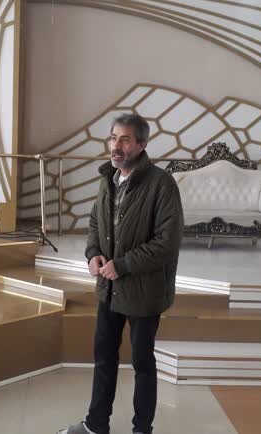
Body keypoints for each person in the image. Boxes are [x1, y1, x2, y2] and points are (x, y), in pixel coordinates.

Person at [60, 113, 184, 434]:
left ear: (141, 144)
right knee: (103, 358)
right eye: (114, 138)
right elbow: (95, 223)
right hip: (108, 289)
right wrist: (93, 254)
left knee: (142, 363)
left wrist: (123, 264)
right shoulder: (108, 179)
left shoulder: (161, 184)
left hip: (144, 291)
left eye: (125, 139)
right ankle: (96, 424)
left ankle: (142, 429)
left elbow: (167, 243)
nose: (117, 145)